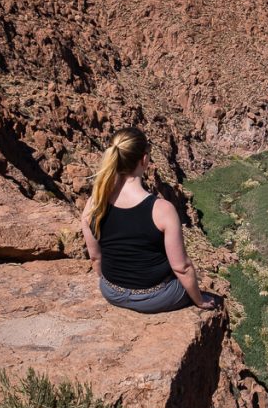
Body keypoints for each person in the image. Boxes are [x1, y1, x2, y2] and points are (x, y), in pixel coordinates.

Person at [81, 127, 218, 312]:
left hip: (111, 292)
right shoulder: (162, 210)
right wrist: (199, 300)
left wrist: (112, 284)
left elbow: (95, 257)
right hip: (154, 298)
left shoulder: (94, 203)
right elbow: (182, 267)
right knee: (190, 280)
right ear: (144, 159)